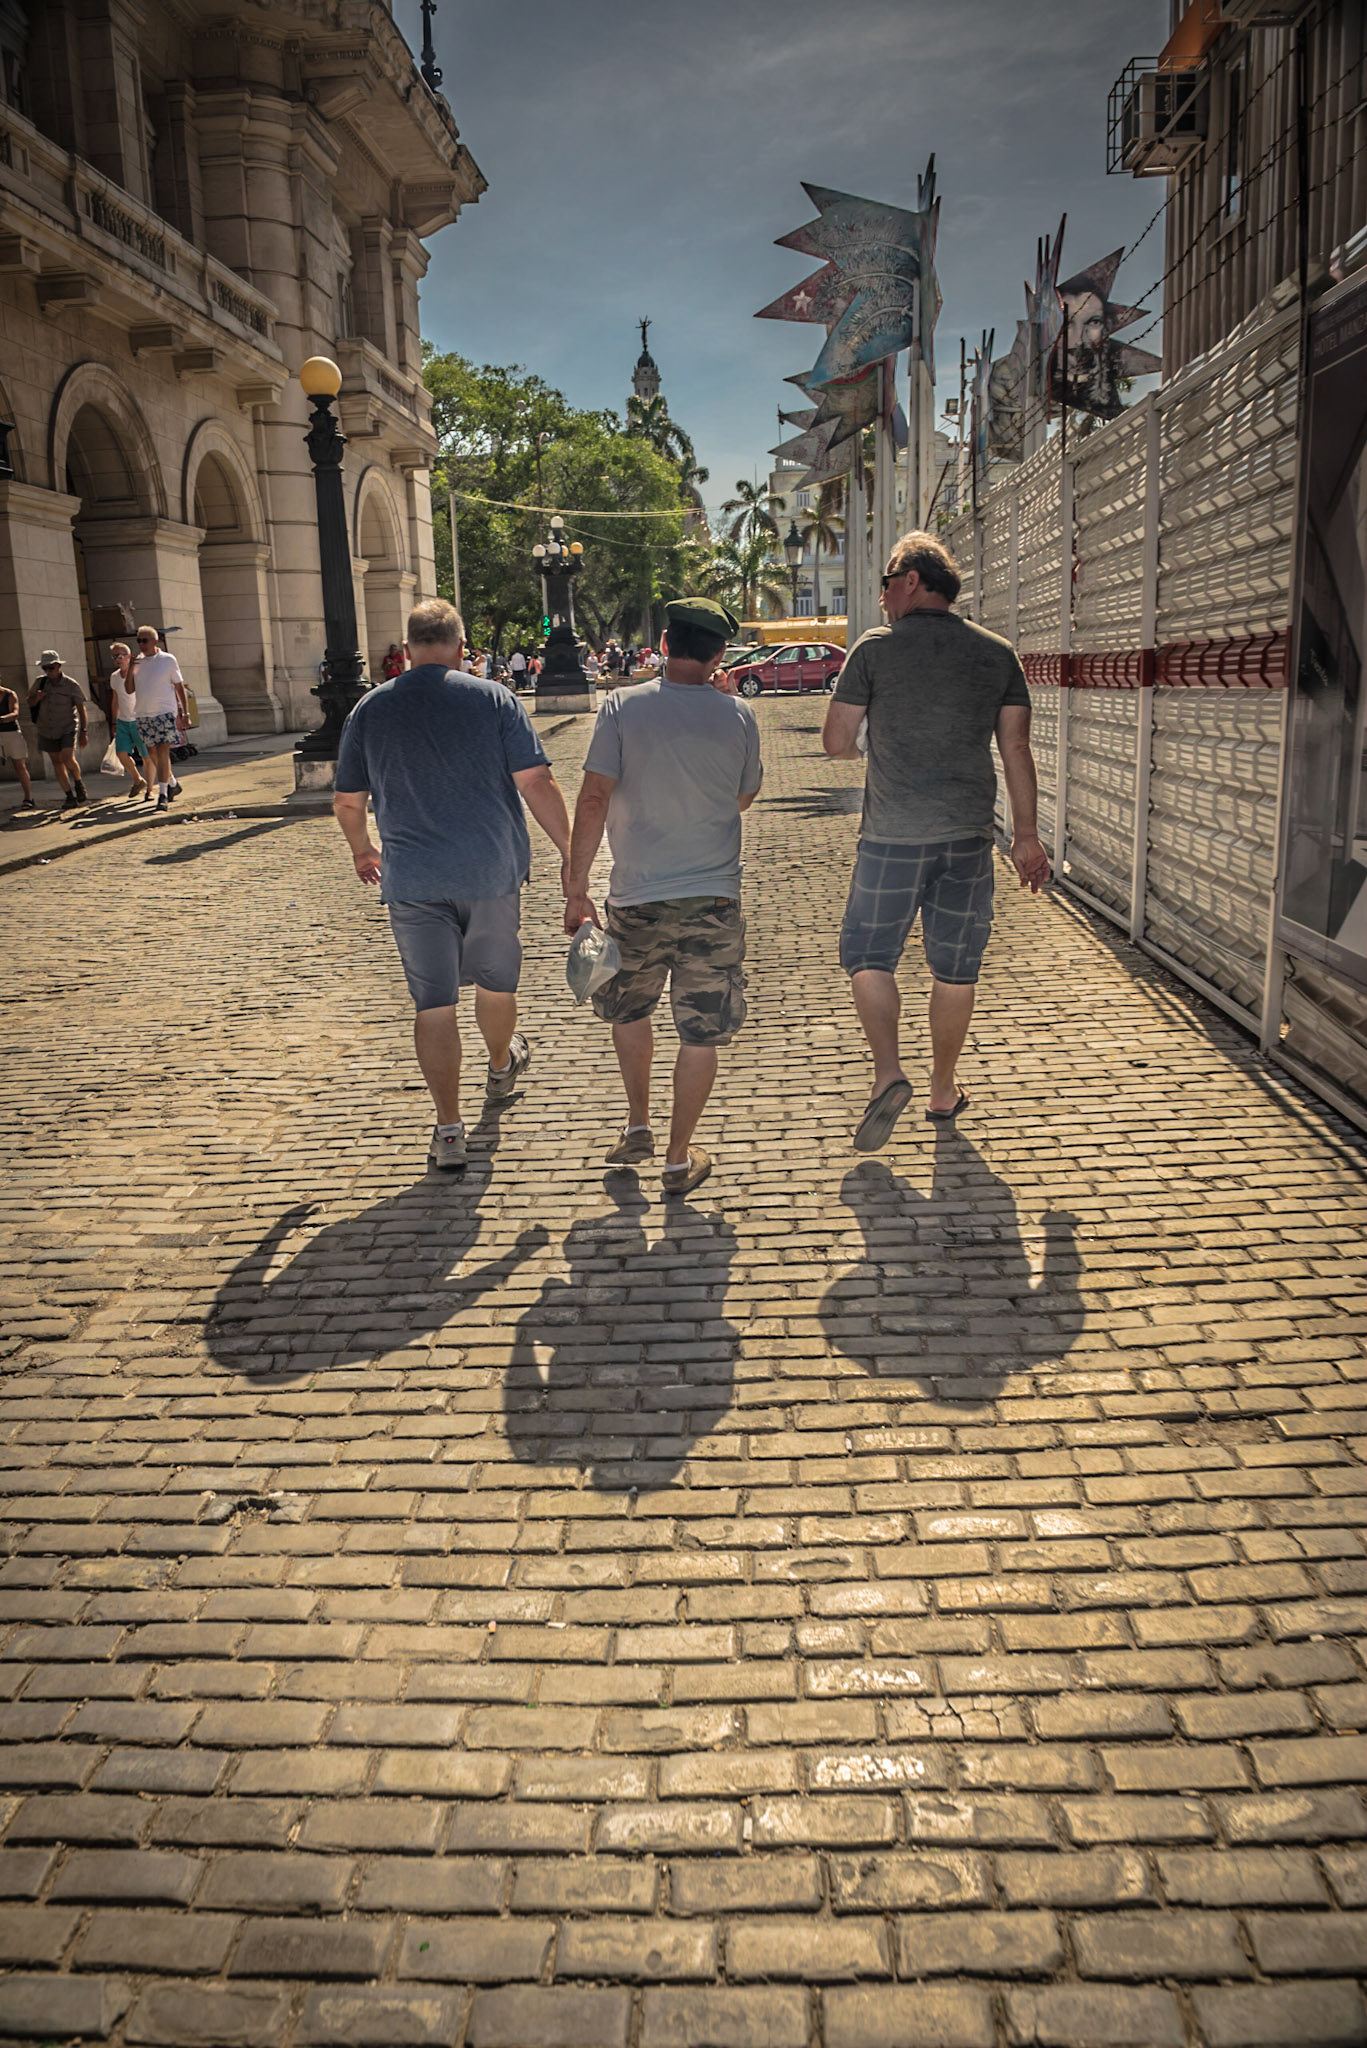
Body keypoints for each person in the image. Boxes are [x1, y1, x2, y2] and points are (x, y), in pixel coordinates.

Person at [821, 529, 1051, 1149]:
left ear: (913, 581)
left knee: (868, 957)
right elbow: (1017, 748)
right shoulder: (997, 652)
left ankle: (888, 1074)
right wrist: (1025, 837)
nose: (883, 598)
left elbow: (836, 743)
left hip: (892, 837)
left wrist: (875, 732)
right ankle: (943, 1089)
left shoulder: (875, 648)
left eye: (887, 583)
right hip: (969, 840)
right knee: (955, 968)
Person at [333, 597, 573, 1173]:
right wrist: (572, 854)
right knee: (495, 983)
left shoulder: (369, 709)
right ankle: (498, 1065)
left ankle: (447, 1129)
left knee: (434, 1003)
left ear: (407, 649)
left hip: (412, 878)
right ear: (461, 648)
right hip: (490, 870)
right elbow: (536, 781)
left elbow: (347, 802)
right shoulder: (494, 699)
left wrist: (363, 848)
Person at [564, 596, 763, 1195]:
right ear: (719, 653)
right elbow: (742, 798)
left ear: (666, 644)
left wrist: (577, 888)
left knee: (630, 1010)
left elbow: (594, 798)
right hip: (714, 898)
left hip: (635, 897)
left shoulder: (621, 708)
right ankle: (678, 1158)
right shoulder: (740, 717)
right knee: (701, 1031)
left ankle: (637, 1123)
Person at [130, 628, 189, 811]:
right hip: (143, 714)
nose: (141, 644)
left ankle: (162, 794)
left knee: (163, 751)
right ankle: (172, 783)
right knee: (151, 753)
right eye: (139, 640)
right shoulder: (137, 662)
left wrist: (185, 713)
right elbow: (129, 689)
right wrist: (131, 666)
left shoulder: (168, 660)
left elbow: (180, 687)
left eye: (144, 640)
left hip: (164, 713)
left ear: (155, 641)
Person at [28, 653, 89, 809]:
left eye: (51, 667)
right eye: (45, 668)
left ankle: (78, 782)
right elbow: (29, 701)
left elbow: (82, 709)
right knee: (56, 762)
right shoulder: (40, 683)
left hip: (66, 727)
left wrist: (84, 731)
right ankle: (69, 795)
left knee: (67, 757)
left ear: (59, 666)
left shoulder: (70, 684)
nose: (48, 671)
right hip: (46, 728)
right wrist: (37, 698)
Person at [108, 642, 152, 801]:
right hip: (123, 722)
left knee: (146, 756)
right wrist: (114, 722)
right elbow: (115, 700)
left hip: (139, 720)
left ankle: (150, 790)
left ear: (128, 656)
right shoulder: (114, 676)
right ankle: (137, 780)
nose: (117, 659)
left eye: (120, 656)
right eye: (114, 656)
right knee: (121, 754)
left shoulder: (137, 673)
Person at [0, 674, 34, 809]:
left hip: (11, 733)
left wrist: (2, 719)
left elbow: (15, 713)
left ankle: (28, 797)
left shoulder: (9, 694)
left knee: (19, 766)